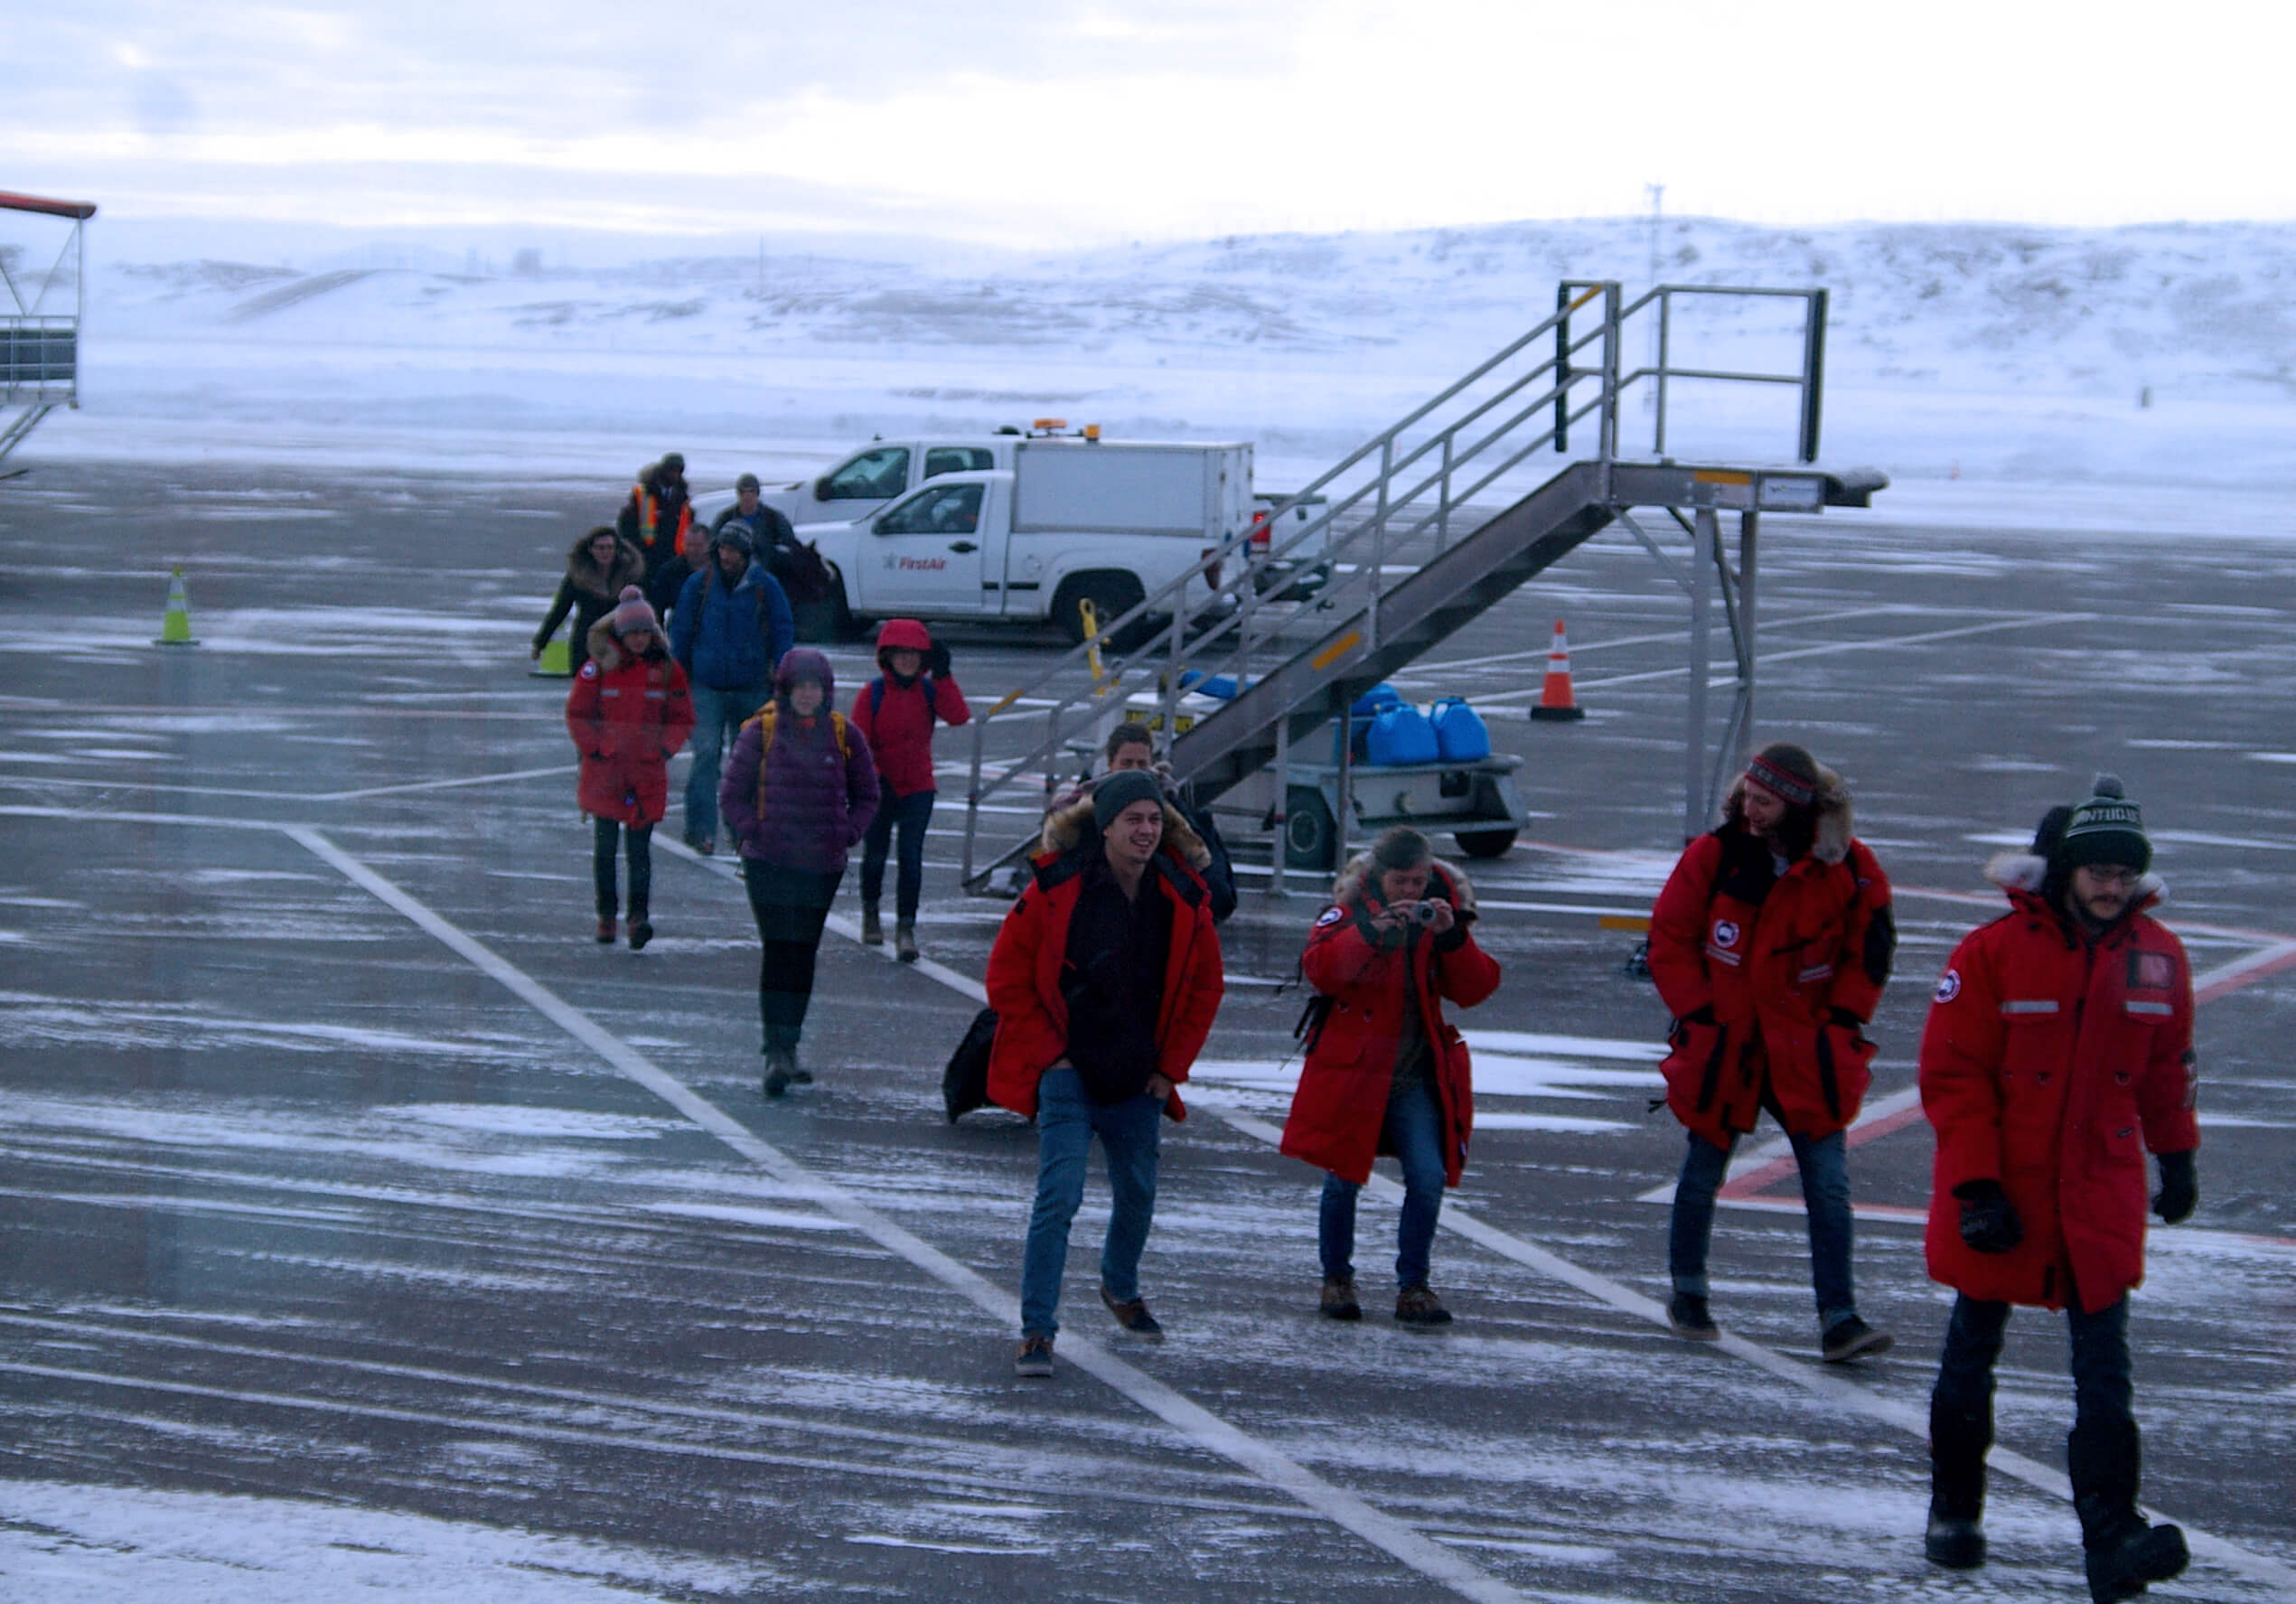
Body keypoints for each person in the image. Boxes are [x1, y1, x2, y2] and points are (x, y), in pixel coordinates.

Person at [1917, 776, 2198, 1599]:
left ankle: (2111, 1537)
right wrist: (1975, 1187)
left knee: (2104, 1372)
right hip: (2002, 1188)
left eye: (2122, 873)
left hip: (2097, 1194)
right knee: (1972, 1349)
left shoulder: (2158, 955)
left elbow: (2167, 1069)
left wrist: (2175, 1157)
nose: (2109, 887)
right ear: (2064, 871)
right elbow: (1953, 1076)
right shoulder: (1990, 952)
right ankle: (1953, 1512)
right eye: (2095, 872)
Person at [1647, 741, 1898, 1362]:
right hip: (1726, 1043)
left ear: (1794, 805)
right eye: (1748, 798)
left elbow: (1869, 948)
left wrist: (1842, 1020)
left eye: (1764, 801)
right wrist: (1700, 1013)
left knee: (1828, 1185)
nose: (1750, 810)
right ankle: (1688, 1292)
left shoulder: (1847, 866)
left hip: (1804, 1048)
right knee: (1702, 1171)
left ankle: (1838, 1316)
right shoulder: (1716, 855)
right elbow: (1670, 936)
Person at [988, 770, 1224, 1378]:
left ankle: (1119, 1286)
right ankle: (1036, 1328)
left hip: (1138, 1077)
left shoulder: (1182, 894)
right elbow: (1006, 978)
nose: (1144, 831)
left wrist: (1169, 1069)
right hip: (1069, 1071)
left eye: (1153, 820)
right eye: (1132, 820)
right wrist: (1052, 1055)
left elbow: (1203, 988)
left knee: (1139, 1192)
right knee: (1058, 1197)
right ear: (1106, 825)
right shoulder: (1055, 885)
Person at [1279, 827, 1501, 1327]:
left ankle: (1414, 1286)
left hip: (1411, 1073)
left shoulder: (1439, 911)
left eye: (1418, 882)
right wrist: (1374, 931)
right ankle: (1336, 1278)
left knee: (1428, 1177)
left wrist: (1453, 938)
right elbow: (1321, 969)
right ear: (1380, 877)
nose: (1411, 893)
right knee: (1343, 1177)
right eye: (1401, 882)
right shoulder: (1349, 911)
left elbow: (1476, 988)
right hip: (1356, 1071)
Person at [719, 648, 877, 1096]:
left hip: (820, 865)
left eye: (815, 687)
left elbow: (868, 793)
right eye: (800, 686)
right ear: (786, 689)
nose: (807, 695)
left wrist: (847, 833)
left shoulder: (844, 735)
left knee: (802, 952)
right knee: (779, 949)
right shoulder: (760, 732)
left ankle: (788, 1046)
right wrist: (756, 831)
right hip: (769, 863)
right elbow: (732, 795)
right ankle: (775, 1048)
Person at [563, 587, 694, 950]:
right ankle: (607, 914)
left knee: (639, 852)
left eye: (644, 632)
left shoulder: (667, 669)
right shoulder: (597, 668)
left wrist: (664, 750)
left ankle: (639, 917)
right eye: (632, 633)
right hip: (605, 772)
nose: (638, 639)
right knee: (605, 850)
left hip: (646, 774)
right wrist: (596, 749)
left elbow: (682, 718)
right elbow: (578, 713)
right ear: (620, 634)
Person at [850, 618, 970, 961]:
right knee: (875, 856)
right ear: (887, 656)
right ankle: (871, 912)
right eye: (900, 654)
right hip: (879, 787)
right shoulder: (871, 694)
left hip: (918, 786)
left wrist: (944, 677)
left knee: (911, 858)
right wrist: (873, 779)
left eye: (914, 654)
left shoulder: (930, 691)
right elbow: (858, 744)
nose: (907, 660)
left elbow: (959, 716)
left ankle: (906, 927)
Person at [671, 527, 794, 854]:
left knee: (749, 764)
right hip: (705, 686)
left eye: (734, 551)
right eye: (723, 549)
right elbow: (680, 632)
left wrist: (782, 673)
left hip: (752, 687)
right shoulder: (699, 585)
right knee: (706, 755)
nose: (727, 556)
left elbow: (783, 631)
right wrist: (677, 678)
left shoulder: (765, 587)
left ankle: (743, 830)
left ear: (746, 553)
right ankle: (700, 831)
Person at [1049, 722, 1237, 923]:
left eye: (1141, 764)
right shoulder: (1079, 817)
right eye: (1126, 763)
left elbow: (1218, 896)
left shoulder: (1180, 817)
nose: (1134, 771)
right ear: (1110, 763)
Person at [532, 526, 645, 677]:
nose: (605, 552)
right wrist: (540, 642)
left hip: (621, 641)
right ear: (590, 550)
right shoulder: (578, 576)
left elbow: (646, 612)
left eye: (609, 547)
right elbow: (560, 610)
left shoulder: (630, 575)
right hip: (585, 641)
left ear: (616, 549)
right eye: (600, 548)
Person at [618, 454, 692, 580]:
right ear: (662, 470)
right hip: (646, 556)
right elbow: (626, 525)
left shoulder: (682, 496)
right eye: (671, 470)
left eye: (678, 471)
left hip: (673, 556)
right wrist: (637, 551)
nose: (674, 475)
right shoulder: (643, 495)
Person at [712, 471, 799, 558]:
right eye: (743, 492)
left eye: (751, 491)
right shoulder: (725, 518)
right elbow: (713, 545)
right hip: (733, 567)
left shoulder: (773, 518)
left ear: (757, 493)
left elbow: (790, 544)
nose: (747, 496)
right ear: (738, 494)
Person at [646, 519, 711, 627]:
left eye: (698, 545)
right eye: (689, 545)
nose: (693, 550)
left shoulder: (720, 570)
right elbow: (656, 608)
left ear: (709, 545)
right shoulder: (670, 572)